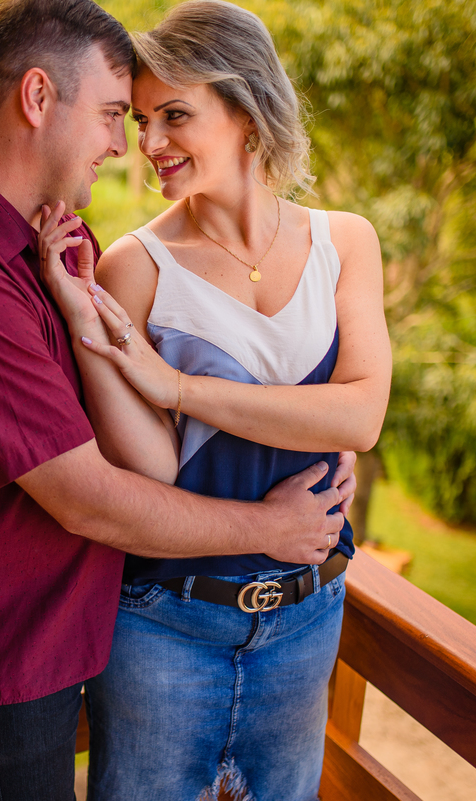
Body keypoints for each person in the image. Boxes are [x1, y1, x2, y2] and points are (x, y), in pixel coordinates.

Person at [0, 1, 357, 798]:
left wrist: (310, 447)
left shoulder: (45, 240)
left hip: (72, 628)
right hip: (2, 649)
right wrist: (271, 526)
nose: (127, 145)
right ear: (37, 97)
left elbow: (142, 451)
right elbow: (87, 495)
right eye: (116, 114)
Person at [35, 2, 392, 799]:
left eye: (175, 115)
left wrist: (182, 388)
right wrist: (85, 318)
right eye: (141, 120)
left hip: (308, 617)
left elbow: (361, 416)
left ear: (246, 110)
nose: (148, 142)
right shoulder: (137, 267)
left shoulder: (346, 243)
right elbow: (154, 466)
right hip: (165, 625)